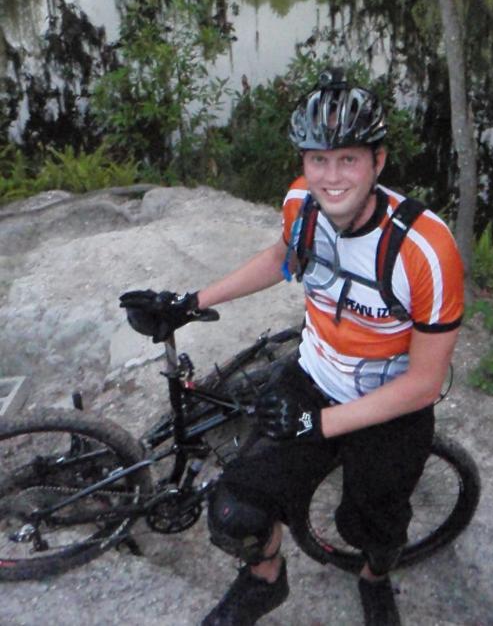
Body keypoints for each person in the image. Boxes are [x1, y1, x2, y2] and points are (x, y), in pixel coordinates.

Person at [120, 68, 464, 626]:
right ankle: (264, 581)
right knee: (233, 512)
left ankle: (376, 579)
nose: (331, 178)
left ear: (378, 162)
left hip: (389, 402)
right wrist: (187, 300)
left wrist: (316, 427)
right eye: (317, 160)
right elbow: (282, 256)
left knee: (372, 527)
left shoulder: (424, 249)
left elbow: (424, 383)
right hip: (314, 379)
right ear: (304, 163)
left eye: (348, 159)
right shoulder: (303, 203)